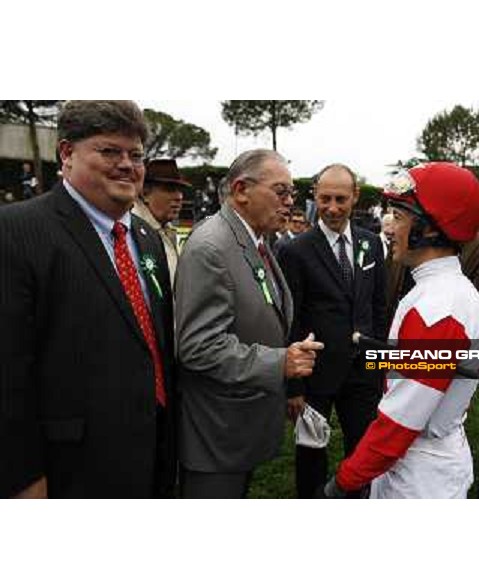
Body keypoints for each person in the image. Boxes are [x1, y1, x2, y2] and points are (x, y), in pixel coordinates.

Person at [0, 101, 176, 499]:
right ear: (66, 153)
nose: (127, 165)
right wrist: (22, 479)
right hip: (71, 471)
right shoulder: (16, 232)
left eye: (136, 155)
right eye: (110, 151)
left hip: (153, 456)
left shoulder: (147, 240)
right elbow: (9, 375)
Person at [321, 163, 479, 499]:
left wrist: (342, 482)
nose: (390, 229)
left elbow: (399, 424)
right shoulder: (448, 292)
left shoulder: (436, 309)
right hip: (427, 462)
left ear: (428, 230)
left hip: (417, 476)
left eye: (399, 217)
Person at [175, 149, 323, 499]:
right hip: (216, 435)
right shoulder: (211, 247)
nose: (289, 202)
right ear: (241, 190)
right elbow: (199, 347)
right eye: (281, 191)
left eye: (291, 193)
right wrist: (280, 362)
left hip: (239, 426)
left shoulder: (255, 239)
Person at [278, 163, 387, 498]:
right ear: (314, 196)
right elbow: (290, 319)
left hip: (363, 373)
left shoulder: (371, 244)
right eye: (325, 198)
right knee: (311, 453)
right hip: (315, 373)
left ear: (356, 197)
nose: (332, 207)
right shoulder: (295, 250)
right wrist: (293, 385)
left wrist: (381, 364)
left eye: (341, 198)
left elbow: (379, 307)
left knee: (363, 450)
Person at [132, 158, 190, 287]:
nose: (179, 197)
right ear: (145, 193)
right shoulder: (129, 231)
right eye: (169, 189)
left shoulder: (167, 230)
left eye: (180, 190)